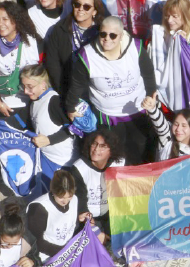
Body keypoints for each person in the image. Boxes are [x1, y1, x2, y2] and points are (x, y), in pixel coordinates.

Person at [66, 16, 157, 165]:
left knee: (140, 149)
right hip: (108, 115)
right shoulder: (88, 55)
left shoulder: (136, 48)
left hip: (138, 110)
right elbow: (77, 84)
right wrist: (70, 106)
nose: (107, 39)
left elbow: (148, 73)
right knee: (115, 154)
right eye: (103, 34)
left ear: (121, 36)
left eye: (112, 35)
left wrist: (151, 95)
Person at [0, 2, 43, 123]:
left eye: (5, 19)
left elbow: (43, 71)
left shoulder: (34, 41)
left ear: (16, 20)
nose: (0, 23)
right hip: (8, 106)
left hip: (35, 102)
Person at [21, 65, 73, 190]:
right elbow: (23, 123)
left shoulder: (54, 101)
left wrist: (49, 140)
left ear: (43, 85)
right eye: (24, 86)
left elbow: (72, 129)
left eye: (30, 87)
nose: (25, 91)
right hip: (46, 158)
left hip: (63, 161)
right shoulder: (34, 100)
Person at [65, 129, 125, 238]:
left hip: (111, 213)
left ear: (111, 150)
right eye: (94, 144)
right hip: (86, 216)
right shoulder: (79, 168)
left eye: (102, 146)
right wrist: (94, 229)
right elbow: (80, 200)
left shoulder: (120, 164)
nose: (96, 149)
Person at [44, 0, 102, 100]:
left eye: (86, 7)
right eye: (77, 4)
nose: (81, 9)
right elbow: (53, 65)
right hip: (70, 89)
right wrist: (64, 94)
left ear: (94, 11)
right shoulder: (60, 29)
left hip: (98, 90)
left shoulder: (103, 30)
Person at [27, 170, 87, 261]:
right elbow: (36, 242)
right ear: (53, 191)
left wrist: (82, 220)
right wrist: (64, 253)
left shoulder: (74, 199)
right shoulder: (39, 208)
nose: (66, 201)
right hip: (47, 256)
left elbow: (70, 225)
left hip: (68, 251)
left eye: (69, 196)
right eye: (61, 197)